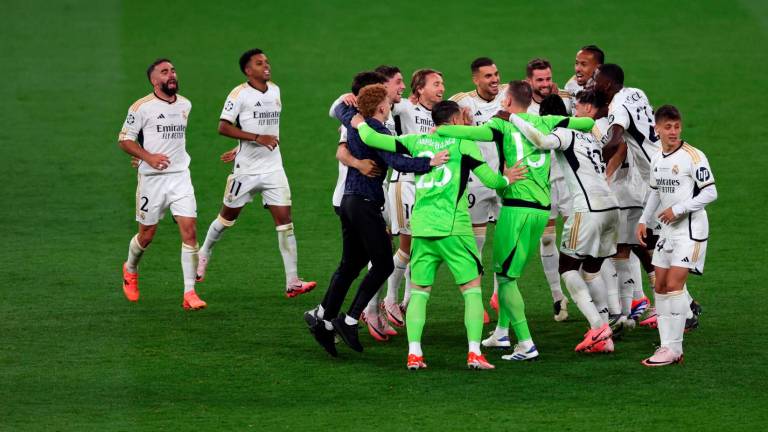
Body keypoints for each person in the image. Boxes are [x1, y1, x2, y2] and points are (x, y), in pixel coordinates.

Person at [351, 95, 526, 370]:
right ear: (455, 120)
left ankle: (414, 354)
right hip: (454, 228)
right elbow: (491, 180)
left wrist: (358, 121)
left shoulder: (417, 141)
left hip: (421, 228)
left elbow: (373, 140)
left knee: (420, 291)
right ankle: (474, 353)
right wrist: (508, 178)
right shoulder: (464, 143)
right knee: (471, 290)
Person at [435, 81, 594, 361]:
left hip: (516, 210)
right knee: (506, 271)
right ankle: (501, 332)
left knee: (507, 279)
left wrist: (443, 129)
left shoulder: (502, 126)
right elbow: (584, 123)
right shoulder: (546, 120)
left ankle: (526, 344)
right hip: (542, 211)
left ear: (508, 102)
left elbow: (471, 133)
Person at [306, 76, 444, 357]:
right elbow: (397, 162)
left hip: (348, 202)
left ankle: (324, 322)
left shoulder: (355, 121)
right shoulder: (377, 129)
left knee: (352, 262)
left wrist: (352, 109)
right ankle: (349, 320)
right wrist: (429, 162)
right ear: (381, 107)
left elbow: (343, 111)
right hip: (365, 204)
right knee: (383, 264)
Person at [194, 49, 316, 297]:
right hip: (246, 171)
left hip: (273, 168)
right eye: (260, 63)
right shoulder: (239, 94)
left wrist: (244, 144)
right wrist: (254, 140)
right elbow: (223, 126)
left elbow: (267, 128)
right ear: (248, 71)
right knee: (227, 218)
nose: (266, 66)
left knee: (285, 222)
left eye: (267, 62)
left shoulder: (276, 90)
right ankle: (204, 251)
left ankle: (292, 282)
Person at [509, 92, 619, 353]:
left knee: (567, 268)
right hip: (611, 207)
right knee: (591, 270)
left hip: (587, 209)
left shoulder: (564, 132)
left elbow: (540, 140)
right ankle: (606, 336)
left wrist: (513, 117)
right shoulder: (589, 135)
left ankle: (597, 326)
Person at [118, 58, 206, 310]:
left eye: (173, 70)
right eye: (165, 72)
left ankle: (190, 293)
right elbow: (124, 139)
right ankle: (130, 268)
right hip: (152, 181)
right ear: (154, 80)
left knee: (189, 231)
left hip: (180, 177)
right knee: (146, 235)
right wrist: (147, 157)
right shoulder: (141, 107)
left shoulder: (185, 105)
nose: (172, 75)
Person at [636, 105, 716, 366]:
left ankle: (674, 348)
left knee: (673, 286)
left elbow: (710, 192)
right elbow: (655, 192)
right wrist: (643, 220)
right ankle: (667, 347)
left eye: (677, 126)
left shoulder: (693, 157)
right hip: (668, 231)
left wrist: (679, 209)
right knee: (659, 286)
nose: (673, 131)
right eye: (668, 127)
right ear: (656, 129)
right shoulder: (658, 157)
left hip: (691, 232)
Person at [597, 63, 660, 321]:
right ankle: (672, 304)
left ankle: (685, 307)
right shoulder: (637, 92)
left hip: (655, 174)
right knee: (652, 243)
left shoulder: (617, 106)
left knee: (658, 245)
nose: (595, 85)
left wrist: (594, 157)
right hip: (658, 166)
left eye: (598, 81)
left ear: (608, 85)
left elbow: (616, 138)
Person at [448, 57, 505, 317]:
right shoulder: (463, 102)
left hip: (505, 180)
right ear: (476, 79)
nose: (494, 80)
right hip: (476, 183)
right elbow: (439, 120)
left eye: (496, 74)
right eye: (488, 76)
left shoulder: (508, 95)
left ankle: (498, 294)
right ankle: (477, 302)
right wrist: (462, 123)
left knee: (506, 239)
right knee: (476, 245)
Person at [526, 58, 575, 320]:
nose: (545, 85)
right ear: (529, 82)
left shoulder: (566, 99)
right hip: (542, 181)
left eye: (548, 79)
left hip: (568, 180)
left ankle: (589, 292)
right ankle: (558, 296)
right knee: (546, 238)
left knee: (577, 236)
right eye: (539, 80)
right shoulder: (523, 105)